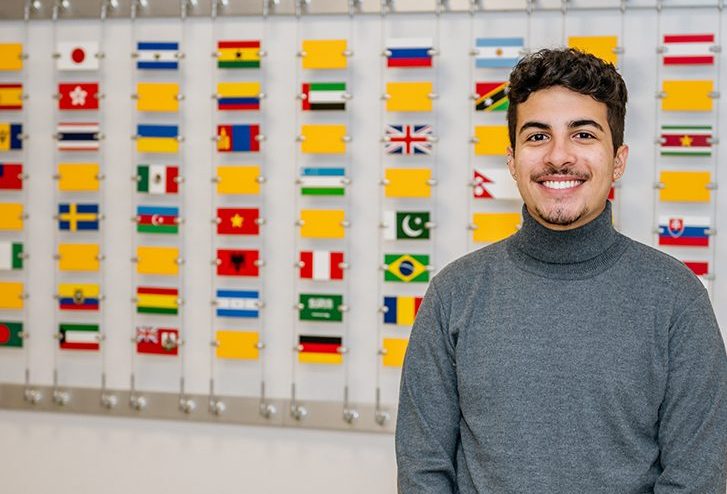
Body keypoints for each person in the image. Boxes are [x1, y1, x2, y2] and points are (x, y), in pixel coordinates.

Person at [395, 48, 727, 493]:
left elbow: (698, 478)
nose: (558, 156)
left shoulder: (675, 298)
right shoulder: (453, 293)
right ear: (512, 162)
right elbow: (423, 471)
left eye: (583, 135)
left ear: (619, 160)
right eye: (537, 136)